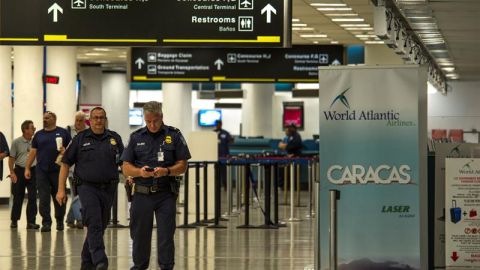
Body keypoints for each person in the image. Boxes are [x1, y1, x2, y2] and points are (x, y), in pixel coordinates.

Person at [121, 101, 191, 270]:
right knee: (139, 235)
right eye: (148, 121)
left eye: (155, 121)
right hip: (141, 194)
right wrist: (139, 172)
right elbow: (125, 167)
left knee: (166, 235)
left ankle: (166, 266)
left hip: (165, 194)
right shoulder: (136, 136)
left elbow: (183, 165)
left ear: (161, 117)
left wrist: (166, 171)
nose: (152, 125)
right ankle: (139, 266)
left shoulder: (174, 135)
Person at [56, 107, 123, 270]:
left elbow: (124, 162)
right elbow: (65, 164)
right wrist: (61, 189)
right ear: (90, 120)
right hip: (87, 187)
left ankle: (87, 263)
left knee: (102, 224)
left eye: (101, 118)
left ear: (105, 119)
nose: (99, 120)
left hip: (109, 188)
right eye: (95, 118)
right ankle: (101, 260)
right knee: (93, 222)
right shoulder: (80, 138)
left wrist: (131, 178)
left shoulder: (114, 138)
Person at [25, 111, 71, 232]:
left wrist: (65, 151)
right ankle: (46, 222)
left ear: (54, 119)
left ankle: (60, 220)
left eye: (47, 118)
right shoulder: (38, 135)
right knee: (43, 198)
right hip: (42, 171)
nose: (44, 120)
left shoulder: (63, 133)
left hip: (58, 171)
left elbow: (71, 151)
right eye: (44, 118)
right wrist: (27, 168)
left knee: (60, 195)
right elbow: (33, 152)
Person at [8, 120, 40, 230]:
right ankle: (14, 220)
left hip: (33, 171)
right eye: (32, 127)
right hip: (19, 171)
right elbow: (11, 158)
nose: (34, 129)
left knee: (32, 197)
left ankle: (31, 222)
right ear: (25, 129)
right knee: (18, 197)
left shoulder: (36, 142)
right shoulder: (16, 142)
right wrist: (12, 172)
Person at [65, 111, 88, 229]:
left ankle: (69, 219)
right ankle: (79, 219)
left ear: (85, 121)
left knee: (78, 195)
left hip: (85, 170)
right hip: (72, 170)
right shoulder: (68, 130)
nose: (78, 123)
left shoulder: (89, 131)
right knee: (76, 195)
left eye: (80, 120)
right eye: (76, 120)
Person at [214, 120, 233, 190]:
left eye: (219, 124)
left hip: (224, 156)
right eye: (217, 124)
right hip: (214, 157)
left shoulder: (225, 133)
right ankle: (217, 186)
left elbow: (231, 141)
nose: (218, 125)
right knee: (216, 173)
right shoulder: (212, 133)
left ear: (221, 124)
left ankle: (225, 186)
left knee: (224, 173)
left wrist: (231, 139)